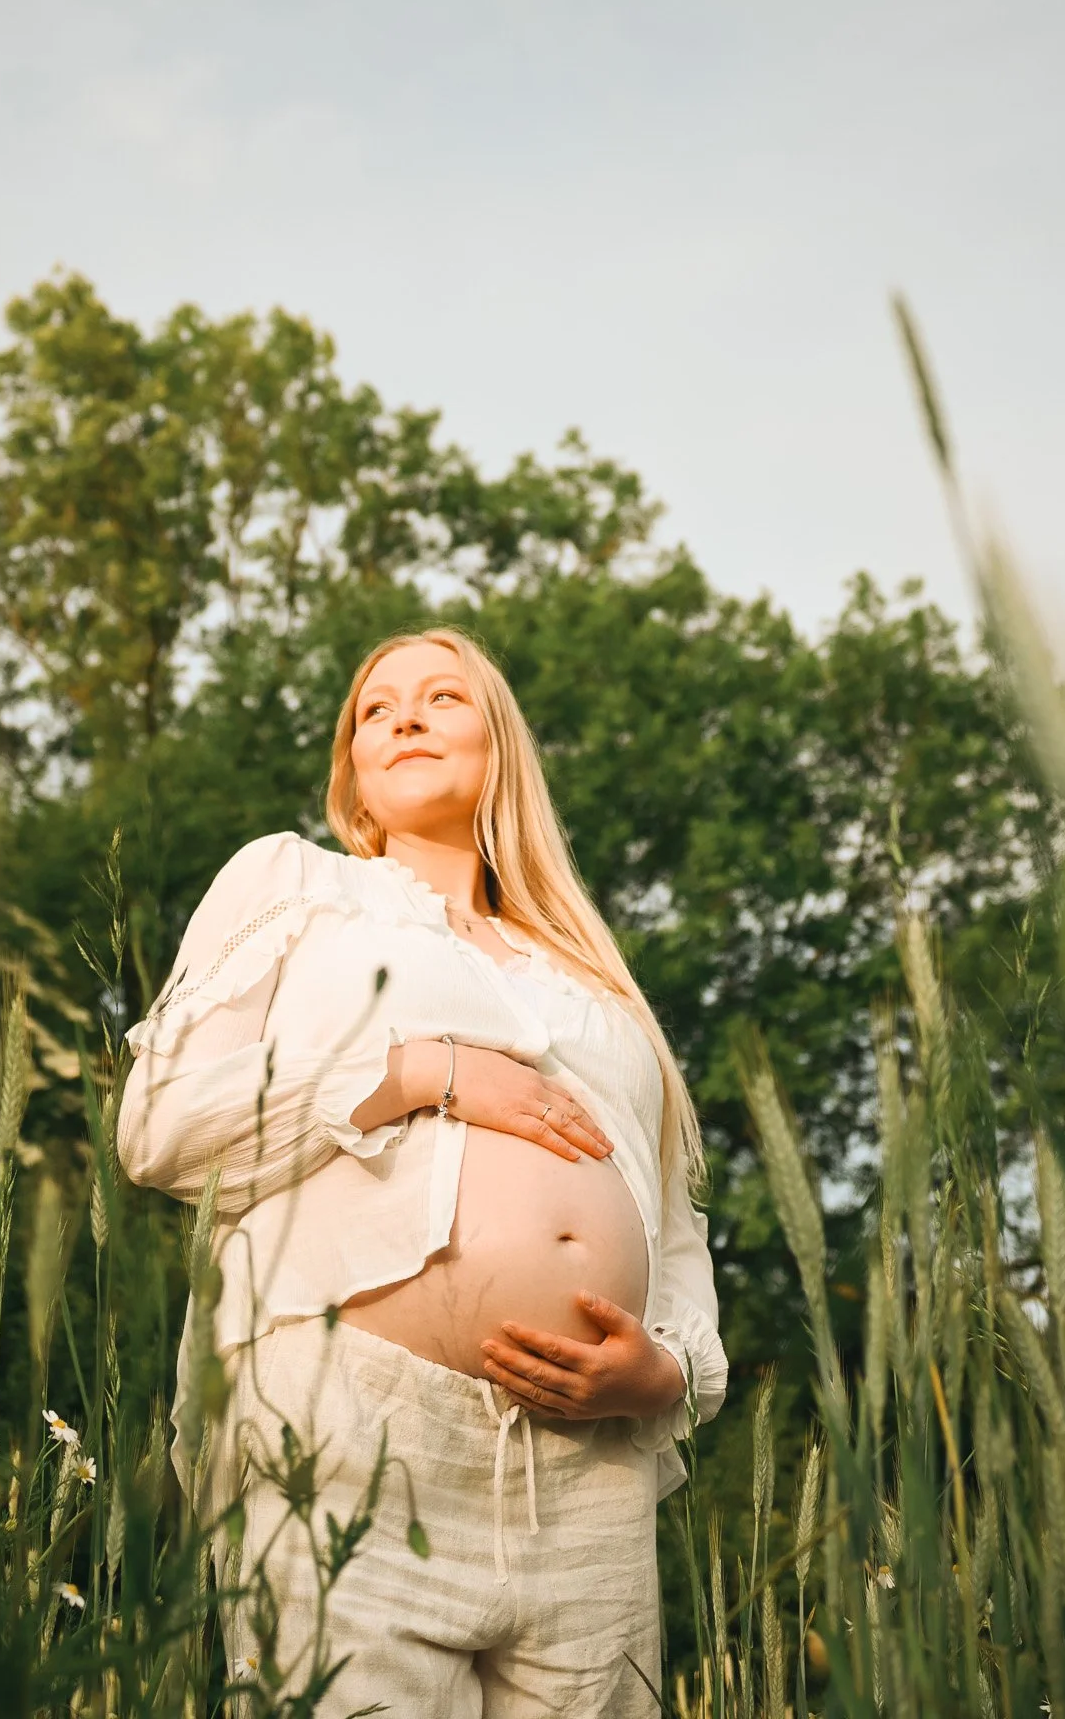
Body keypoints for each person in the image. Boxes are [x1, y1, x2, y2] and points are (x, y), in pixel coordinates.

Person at [118, 628, 728, 1715]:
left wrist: (668, 1375)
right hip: (351, 1431)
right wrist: (417, 1068)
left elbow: (674, 1230)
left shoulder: (595, 979)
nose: (403, 715)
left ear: (502, 750)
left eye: (444, 697)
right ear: (352, 771)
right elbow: (160, 1121)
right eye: (374, 708)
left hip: (591, 1477)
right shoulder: (300, 889)